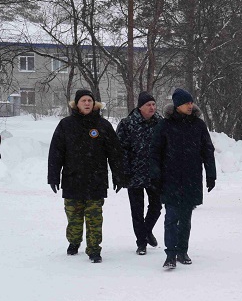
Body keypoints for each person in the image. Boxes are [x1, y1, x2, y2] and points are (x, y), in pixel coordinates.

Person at [47, 89, 124, 263]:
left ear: (94, 103)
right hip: (72, 179)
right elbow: (56, 153)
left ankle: (94, 249)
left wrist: (119, 175)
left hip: (96, 180)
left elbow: (115, 153)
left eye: (90, 100)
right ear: (77, 104)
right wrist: (53, 176)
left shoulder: (103, 125)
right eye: (83, 100)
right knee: (74, 217)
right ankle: (74, 241)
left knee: (94, 218)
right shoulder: (65, 125)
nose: (87, 103)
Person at [150, 88, 217, 270]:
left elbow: (207, 150)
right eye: (187, 102)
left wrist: (211, 174)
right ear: (177, 105)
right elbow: (155, 151)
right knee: (171, 216)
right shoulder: (164, 125)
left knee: (186, 217)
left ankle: (182, 251)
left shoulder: (198, 125)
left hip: (191, 177)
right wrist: (155, 173)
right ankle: (170, 254)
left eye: (191, 102)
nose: (190, 105)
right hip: (170, 177)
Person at [117, 91, 162, 255]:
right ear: (140, 107)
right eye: (148, 105)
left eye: (153, 104)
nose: (152, 107)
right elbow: (120, 150)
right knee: (137, 210)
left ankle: (146, 230)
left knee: (156, 206)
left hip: (155, 173)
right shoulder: (127, 124)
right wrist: (123, 172)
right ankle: (141, 243)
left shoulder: (160, 123)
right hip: (134, 173)